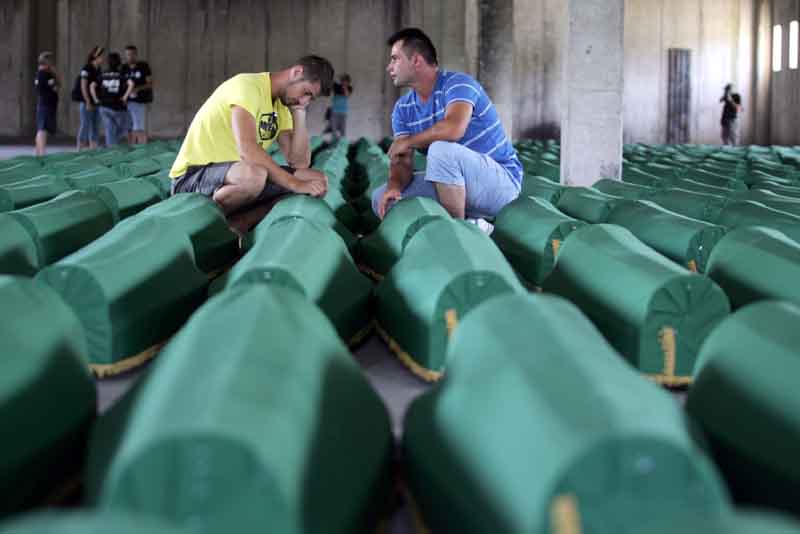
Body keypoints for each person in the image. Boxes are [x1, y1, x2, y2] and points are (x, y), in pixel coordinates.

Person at [373, 28, 522, 233]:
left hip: (501, 186)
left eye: (394, 59)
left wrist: (408, 141)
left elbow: (454, 128)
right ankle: (473, 224)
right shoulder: (403, 108)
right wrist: (394, 186)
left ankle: (460, 233)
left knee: (441, 150)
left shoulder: (458, 84)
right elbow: (402, 160)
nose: (389, 67)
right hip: (454, 185)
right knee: (381, 198)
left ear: (416, 60)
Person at [169, 55, 334, 235]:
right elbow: (247, 149)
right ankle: (207, 225)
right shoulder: (247, 86)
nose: (304, 101)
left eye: (311, 99)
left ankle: (239, 224)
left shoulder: (282, 106)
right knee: (254, 176)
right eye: (306, 93)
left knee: (317, 180)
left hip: (234, 176)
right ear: (296, 72)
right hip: (193, 176)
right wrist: (294, 184)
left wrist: (299, 111)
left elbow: (299, 162)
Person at [91, 52, 132, 146]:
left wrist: (96, 99)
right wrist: (125, 97)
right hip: (118, 106)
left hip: (104, 106)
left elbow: (92, 86)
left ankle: (111, 146)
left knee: (109, 129)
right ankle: (112, 145)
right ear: (119, 62)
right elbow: (131, 84)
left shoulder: (103, 74)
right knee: (126, 126)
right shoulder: (121, 74)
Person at [71, 46, 104, 150]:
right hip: (87, 102)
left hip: (96, 101)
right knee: (85, 124)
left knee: (95, 126)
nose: (102, 58)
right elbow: (83, 86)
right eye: (100, 56)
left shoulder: (99, 69)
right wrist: (88, 101)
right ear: (95, 56)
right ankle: (79, 149)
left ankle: (93, 148)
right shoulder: (87, 68)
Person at [121, 45, 153, 144]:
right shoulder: (123, 68)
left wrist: (137, 89)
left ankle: (142, 147)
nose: (130, 57)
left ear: (136, 55)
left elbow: (150, 83)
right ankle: (132, 147)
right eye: (127, 55)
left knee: (139, 126)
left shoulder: (143, 66)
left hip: (139, 101)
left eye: (132, 54)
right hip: (126, 102)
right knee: (129, 127)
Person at [34, 51, 60, 157]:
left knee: (41, 128)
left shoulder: (39, 74)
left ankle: (38, 153)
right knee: (43, 129)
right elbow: (57, 87)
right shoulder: (45, 74)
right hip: (46, 104)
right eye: (50, 61)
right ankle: (42, 153)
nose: (52, 63)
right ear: (47, 62)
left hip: (44, 104)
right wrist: (55, 73)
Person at [324, 73, 352, 140]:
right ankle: (334, 142)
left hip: (343, 112)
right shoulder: (336, 86)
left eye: (346, 81)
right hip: (334, 111)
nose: (344, 82)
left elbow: (347, 95)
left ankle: (342, 143)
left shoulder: (349, 88)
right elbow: (330, 82)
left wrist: (345, 87)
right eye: (343, 80)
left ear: (348, 82)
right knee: (334, 129)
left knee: (343, 130)